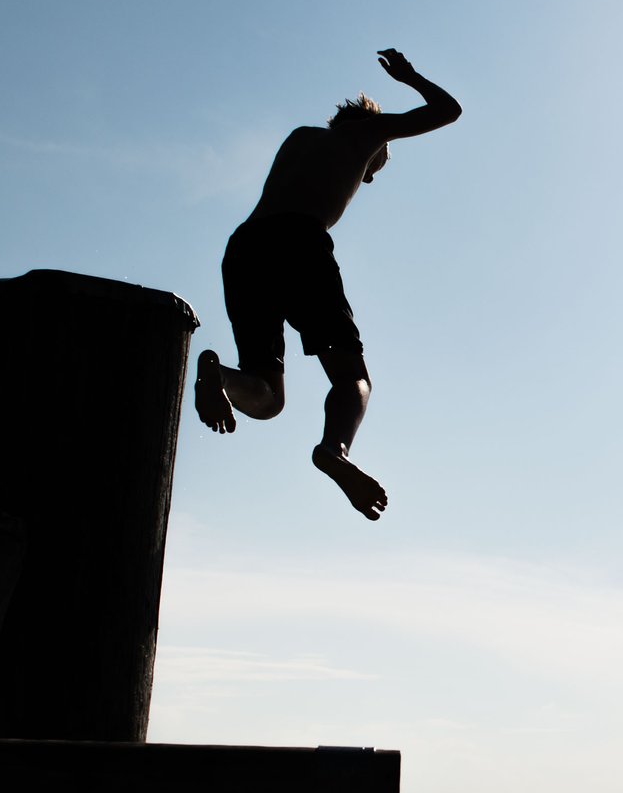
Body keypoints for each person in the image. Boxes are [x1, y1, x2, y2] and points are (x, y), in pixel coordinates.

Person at [194, 48, 461, 519]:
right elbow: (448, 111)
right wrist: (409, 76)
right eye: (377, 167)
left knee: (268, 396)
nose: (370, 178)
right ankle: (335, 451)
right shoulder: (368, 133)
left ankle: (220, 376)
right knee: (352, 376)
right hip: (298, 243)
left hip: (245, 248)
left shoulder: (299, 138)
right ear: (375, 137)